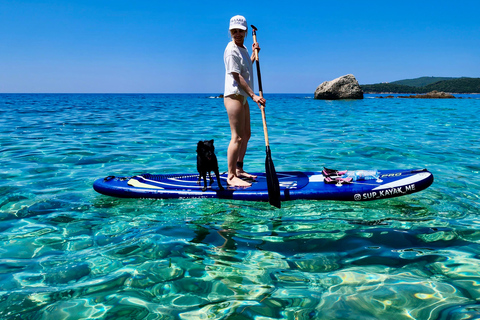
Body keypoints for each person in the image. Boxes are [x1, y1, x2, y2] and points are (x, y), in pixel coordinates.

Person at [224, 15, 266, 187]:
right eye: (234, 31)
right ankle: (231, 175)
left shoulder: (243, 49)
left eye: (240, 31)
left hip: (243, 96)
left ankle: (239, 169)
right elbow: (237, 76)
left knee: (246, 135)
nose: (237, 34)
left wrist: (254, 55)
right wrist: (254, 96)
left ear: (246, 32)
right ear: (230, 32)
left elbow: (245, 67)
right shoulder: (231, 49)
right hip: (234, 95)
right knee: (237, 137)